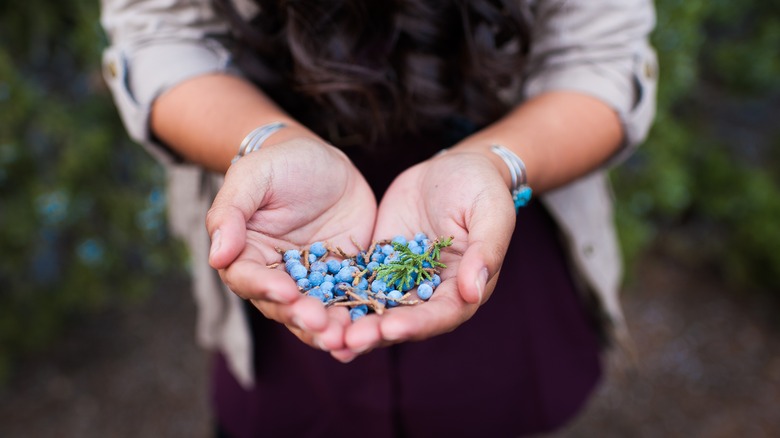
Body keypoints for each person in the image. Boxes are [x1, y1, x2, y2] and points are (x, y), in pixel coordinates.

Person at [100, 0, 657, 436]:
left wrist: (495, 163)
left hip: (487, 218)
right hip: (288, 215)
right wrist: (268, 141)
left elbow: (600, 63)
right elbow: (160, 40)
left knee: (491, 402)